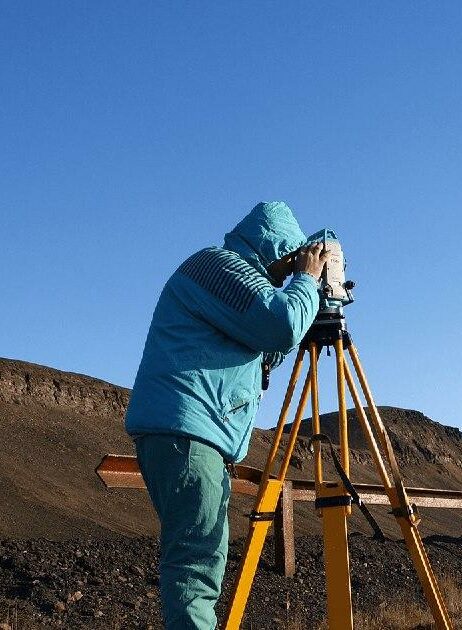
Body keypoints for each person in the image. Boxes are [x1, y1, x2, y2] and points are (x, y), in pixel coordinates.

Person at [124, 201, 329, 629]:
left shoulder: (230, 282)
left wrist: (313, 295)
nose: (286, 273)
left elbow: (270, 343)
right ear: (275, 248)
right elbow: (279, 325)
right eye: (287, 261)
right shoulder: (217, 266)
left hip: (185, 430)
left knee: (200, 554)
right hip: (186, 429)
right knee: (197, 561)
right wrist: (307, 279)